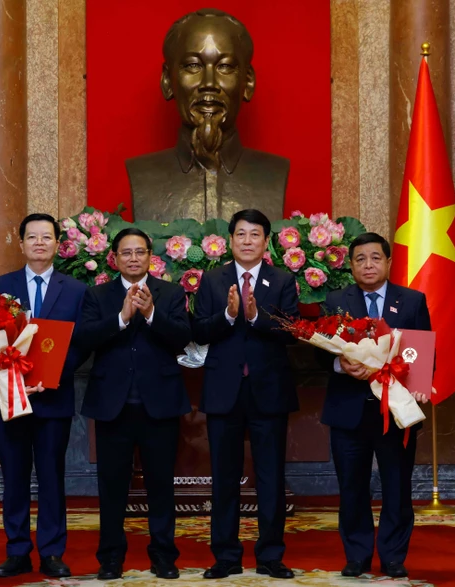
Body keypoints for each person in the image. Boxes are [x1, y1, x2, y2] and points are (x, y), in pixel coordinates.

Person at [73, 228, 192, 581]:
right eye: (126, 252)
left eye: (140, 251)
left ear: (150, 256)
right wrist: (122, 318)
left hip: (160, 404)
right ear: (114, 258)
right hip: (114, 405)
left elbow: (182, 337)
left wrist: (152, 312)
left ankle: (164, 556)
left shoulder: (170, 293)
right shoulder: (97, 295)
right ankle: (111, 559)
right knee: (112, 487)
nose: (134, 258)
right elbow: (85, 337)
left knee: (161, 485)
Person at [0, 213, 87, 579]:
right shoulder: (0, 287)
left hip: (52, 399)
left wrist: (50, 376)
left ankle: (53, 552)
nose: (40, 243)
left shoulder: (75, 289)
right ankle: (18, 551)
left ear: (58, 244)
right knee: (15, 477)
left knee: (53, 477)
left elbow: (80, 346)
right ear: (20, 242)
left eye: (47, 237)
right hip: (10, 398)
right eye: (32, 237)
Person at [192, 209, 299, 580]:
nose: (248, 240)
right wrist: (228, 314)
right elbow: (201, 330)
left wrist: (255, 318)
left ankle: (270, 556)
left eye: (255, 234)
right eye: (241, 234)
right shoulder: (212, 280)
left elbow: (291, 330)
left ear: (266, 242)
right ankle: (226, 556)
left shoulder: (283, 280)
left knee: (270, 476)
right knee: (224, 477)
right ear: (231, 240)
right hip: (225, 391)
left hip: (268, 391)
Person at [320, 232, 431, 579]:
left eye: (375, 258)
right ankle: (357, 556)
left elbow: (422, 351)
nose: (368, 265)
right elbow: (318, 352)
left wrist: (422, 385)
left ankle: (394, 556)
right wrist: (342, 365)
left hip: (396, 411)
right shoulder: (335, 301)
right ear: (351, 265)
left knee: (397, 487)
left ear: (387, 262)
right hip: (348, 410)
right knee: (352, 487)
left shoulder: (411, 301)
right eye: (360, 259)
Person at [126, 8, 288, 223]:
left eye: (225, 66)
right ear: (167, 81)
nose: (209, 83)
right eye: (193, 66)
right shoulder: (142, 174)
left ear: (248, 82)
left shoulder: (275, 172)